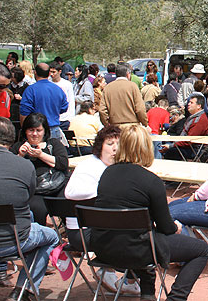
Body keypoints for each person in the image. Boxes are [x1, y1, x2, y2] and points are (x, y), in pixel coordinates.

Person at [92, 125, 208, 301]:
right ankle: (176, 298)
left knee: (144, 237)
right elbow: (165, 227)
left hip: (103, 248)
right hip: (137, 250)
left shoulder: (107, 174)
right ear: (147, 147)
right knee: (200, 249)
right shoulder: (151, 181)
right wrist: (175, 227)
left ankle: (147, 294)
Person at [63, 125, 139, 294]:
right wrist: (104, 192)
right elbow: (70, 192)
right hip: (84, 234)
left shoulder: (113, 169)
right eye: (110, 143)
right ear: (100, 147)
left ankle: (115, 274)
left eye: (118, 144)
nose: (114, 149)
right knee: (140, 236)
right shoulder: (89, 166)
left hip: (96, 232)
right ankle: (129, 279)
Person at [0, 117, 59, 300]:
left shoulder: (23, 162)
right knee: (52, 236)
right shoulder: (24, 165)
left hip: (11, 235)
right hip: (14, 240)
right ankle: (23, 290)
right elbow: (26, 196)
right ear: (12, 140)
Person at [11, 113, 69, 226]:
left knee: (65, 205)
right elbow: (10, 169)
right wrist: (20, 156)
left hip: (57, 186)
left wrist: (41, 155)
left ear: (44, 131)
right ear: (25, 131)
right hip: (35, 191)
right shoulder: (18, 146)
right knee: (38, 210)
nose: (35, 134)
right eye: (31, 130)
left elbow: (63, 163)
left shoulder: (53, 144)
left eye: (38, 130)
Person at [19, 63, 68, 140]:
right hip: (54, 129)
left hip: (35, 131)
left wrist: (24, 130)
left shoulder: (30, 90)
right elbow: (64, 108)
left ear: (35, 72)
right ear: (49, 74)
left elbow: (24, 112)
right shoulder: (58, 89)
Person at [161, 95, 208, 161]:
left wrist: (171, 146)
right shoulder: (194, 117)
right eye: (189, 102)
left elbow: (189, 140)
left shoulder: (200, 120)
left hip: (194, 149)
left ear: (199, 106)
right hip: (187, 145)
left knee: (170, 152)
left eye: (191, 103)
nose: (188, 104)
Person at [49, 60, 75, 130]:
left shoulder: (67, 84)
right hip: (51, 119)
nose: (52, 74)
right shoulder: (48, 84)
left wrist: (71, 118)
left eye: (54, 72)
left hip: (64, 119)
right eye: (50, 72)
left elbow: (71, 101)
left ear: (59, 72)